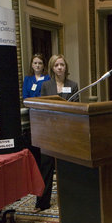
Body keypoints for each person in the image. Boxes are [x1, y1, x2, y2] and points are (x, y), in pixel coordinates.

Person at [33, 54, 79, 212]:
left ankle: (70, 199)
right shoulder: (46, 85)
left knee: (66, 168)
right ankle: (42, 203)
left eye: (62, 65)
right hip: (49, 133)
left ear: (66, 67)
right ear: (52, 68)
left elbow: (76, 108)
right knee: (46, 168)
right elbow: (42, 106)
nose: (60, 67)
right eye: (56, 65)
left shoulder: (73, 85)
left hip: (66, 133)